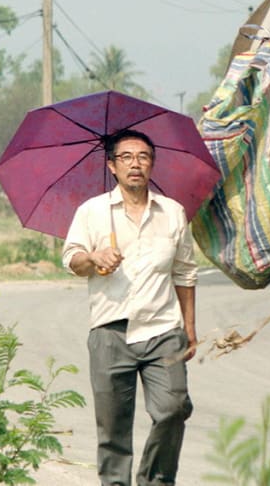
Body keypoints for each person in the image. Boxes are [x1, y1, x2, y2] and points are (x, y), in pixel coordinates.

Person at [62, 128, 197, 486]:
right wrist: (94, 257)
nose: (135, 164)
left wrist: (190, 328)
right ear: (111, 166)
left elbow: (185, 273)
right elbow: (71, 259)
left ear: (152, 165)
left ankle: (154, 480)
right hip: (110, 332)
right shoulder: (92, 212)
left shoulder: (172, 212)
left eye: (143, 157)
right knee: (113, 432)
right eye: (126, 158)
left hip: (163, 331)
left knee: (173, 409)